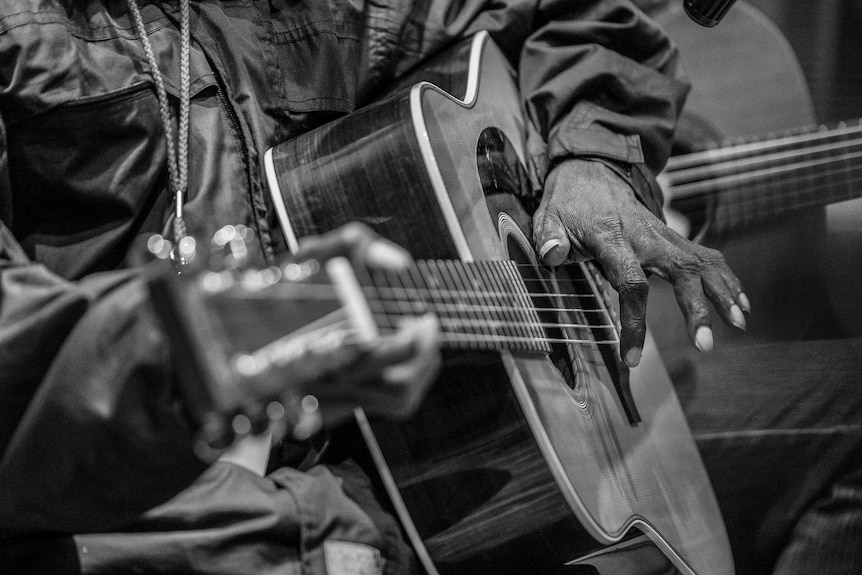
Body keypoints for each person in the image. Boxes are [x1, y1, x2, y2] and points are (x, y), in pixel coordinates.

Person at [0, 1, 749, 573]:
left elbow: (577, 13)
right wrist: (264, 333)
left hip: (410, 462)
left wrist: (591, 157)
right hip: (191, 499)